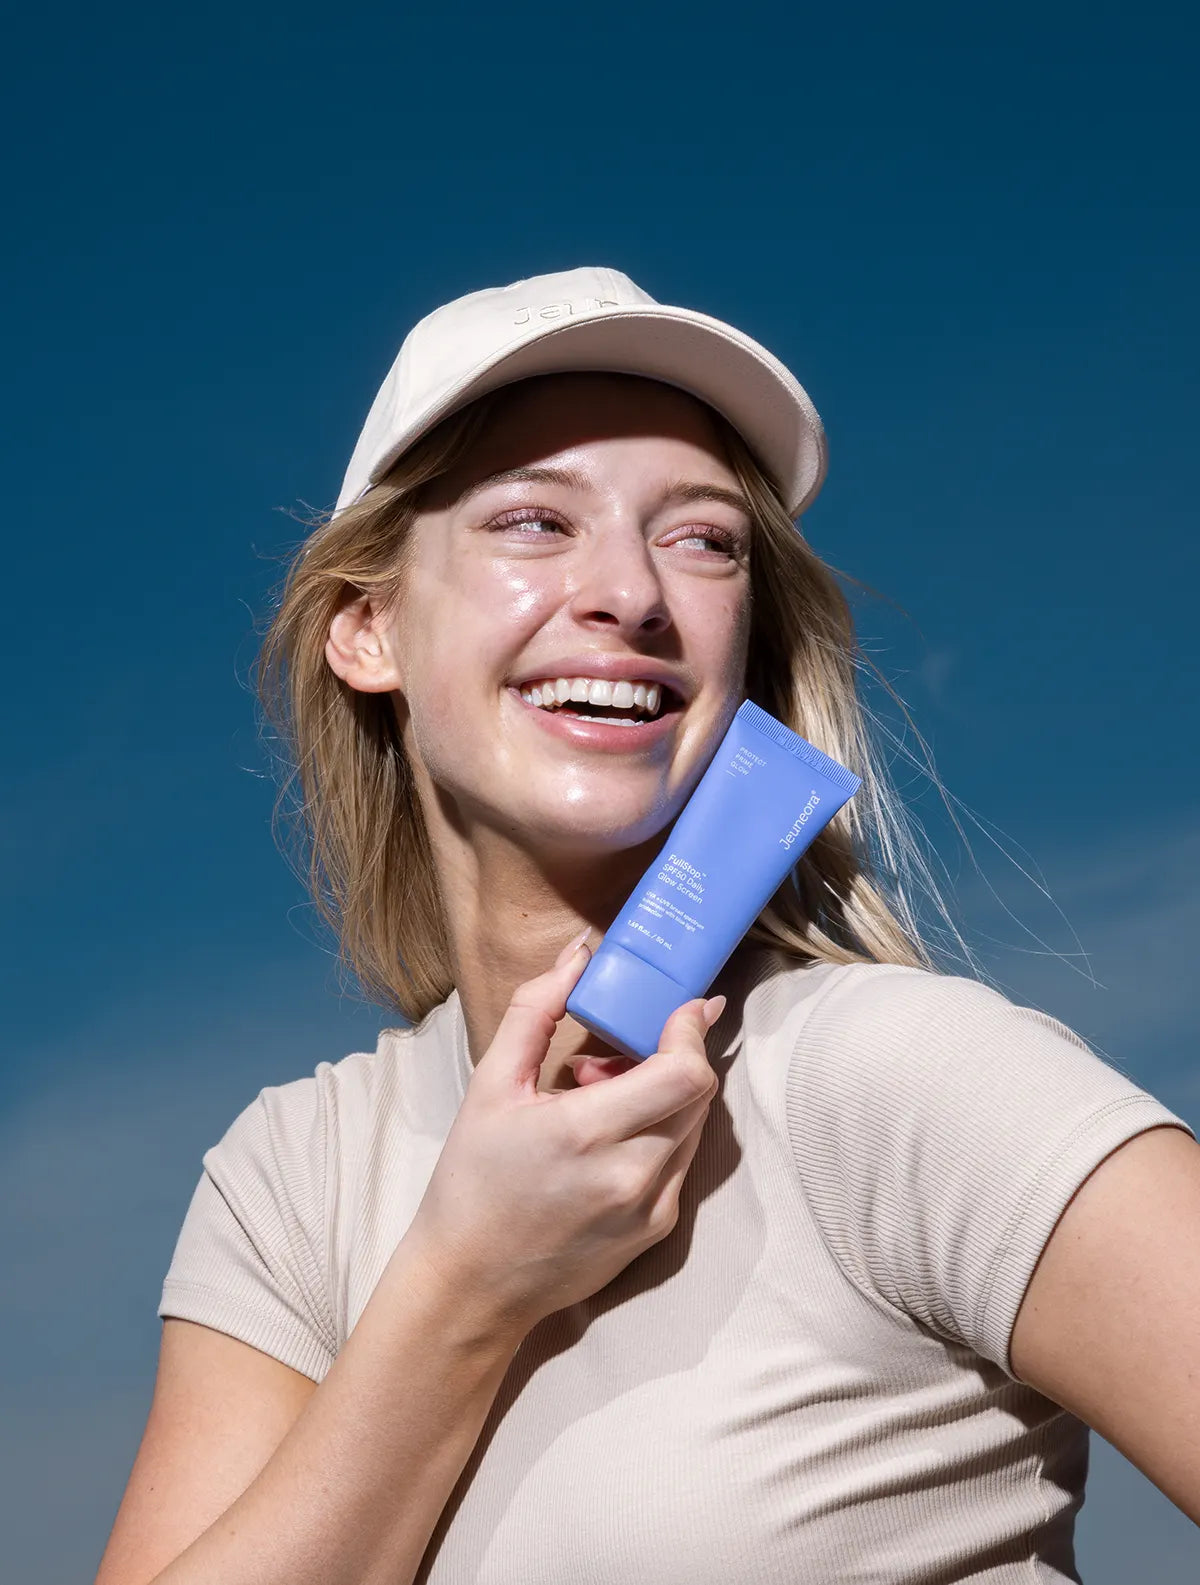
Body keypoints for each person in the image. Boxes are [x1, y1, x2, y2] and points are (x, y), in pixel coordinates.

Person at [96, 268, 1199, 1585]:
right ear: (367, 629)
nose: (630, 589)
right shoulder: (292, 1178)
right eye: (531, 520)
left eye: (703, 538)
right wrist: (464, 1278)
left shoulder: (894, 1078)